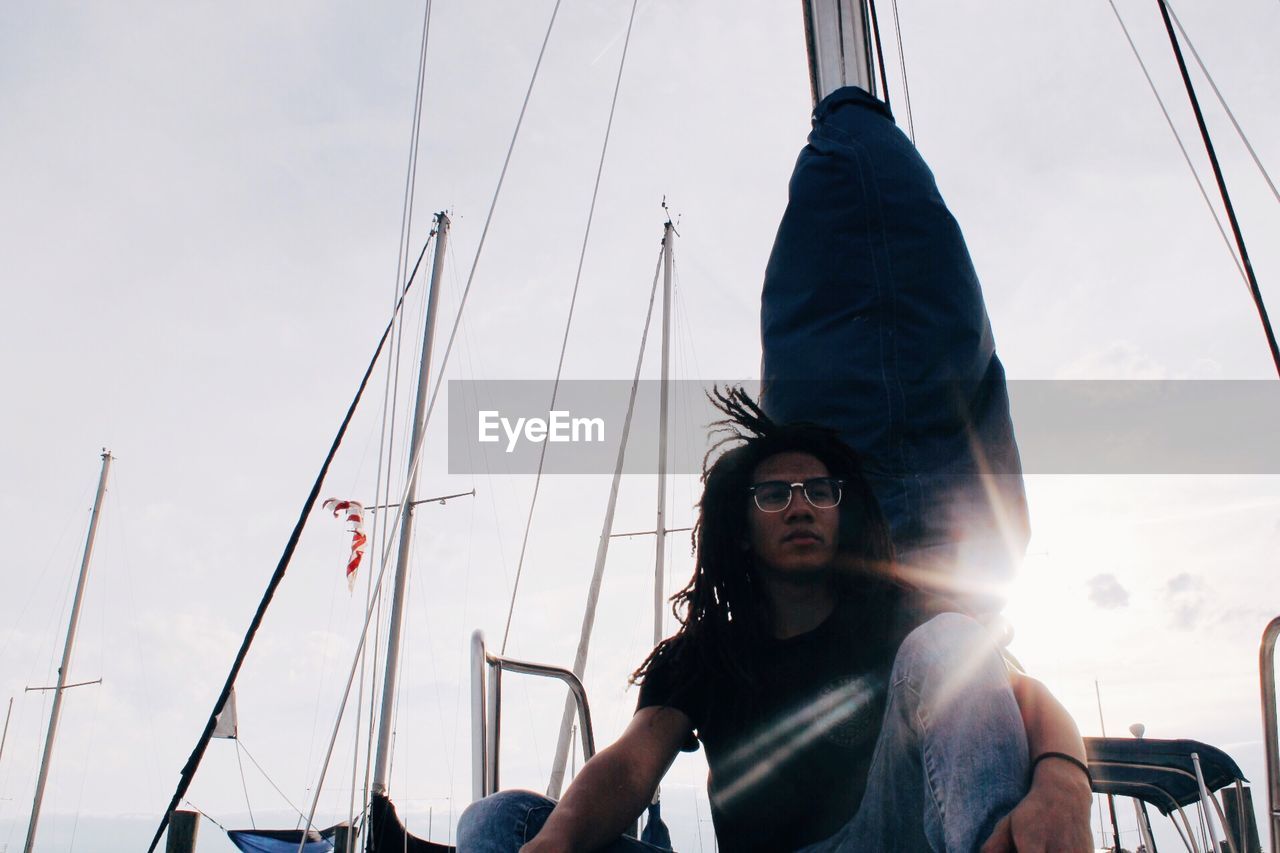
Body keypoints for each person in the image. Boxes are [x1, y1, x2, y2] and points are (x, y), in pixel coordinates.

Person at [457, 392, 1093, 853]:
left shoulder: (899, 619)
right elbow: (629, 766)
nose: (800, 506)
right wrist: (559, 841)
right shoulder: (705, 654)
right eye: (774, 494)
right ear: (741, 525)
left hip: (882, 838)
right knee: (497, 823)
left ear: (843, 515)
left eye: (820, 492)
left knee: (956, 639)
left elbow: (1019, 695)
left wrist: (1065, 781)